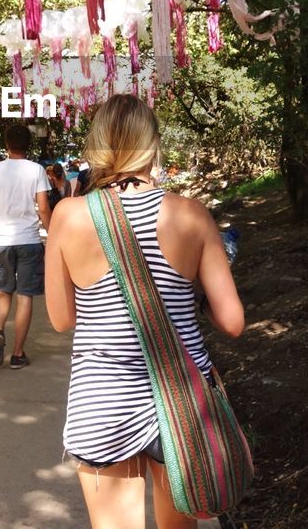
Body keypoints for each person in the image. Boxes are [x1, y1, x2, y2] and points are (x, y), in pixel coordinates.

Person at [45, 94, 244, 529]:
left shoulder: (69, 215)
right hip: (179, 401)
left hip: (102, 399)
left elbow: (62, 319)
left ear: (97, 147)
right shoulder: (190, 214)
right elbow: (233, 322)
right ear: (152, 147)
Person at [0, 124, 51, 370]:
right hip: (29, 240)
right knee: (25, 295)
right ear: (28, 145)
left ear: (7, 145)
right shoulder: (37, 170)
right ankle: (18, 354)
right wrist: (53, 235)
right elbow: (43, 208)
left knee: (3, 290)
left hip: (2, 241)